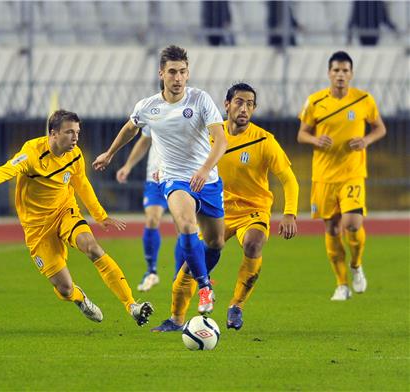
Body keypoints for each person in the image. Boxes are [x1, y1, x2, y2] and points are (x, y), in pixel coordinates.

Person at [0, 109, 154, 326]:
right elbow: (6, 170)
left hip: (64, 212)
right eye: (69, 132)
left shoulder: (75, 155)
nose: (75, 137)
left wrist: (100, 215)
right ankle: (80, 299)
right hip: (37, 228)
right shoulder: (31, 153)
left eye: (77, 132)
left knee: (92, 247)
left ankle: (132, 305)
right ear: (53, 134)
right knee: (65, 288)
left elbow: (82, 185)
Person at [152, 82, 299, 332]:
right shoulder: (209, 134)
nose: (244, 108)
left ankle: (237, 305)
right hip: (216, 210)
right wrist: (164, 171)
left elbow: (288, 179)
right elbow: (182, 157)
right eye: (239, 102)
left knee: (254, 243)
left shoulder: (265, 140)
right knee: (192, 266)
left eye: (250, 104)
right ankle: (176, 319)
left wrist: (290, 213)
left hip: (253, 210)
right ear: (227, 104)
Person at [93, 45, 228, 315]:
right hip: (174, 179)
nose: (177, 78)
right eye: (172, 72)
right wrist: (110, 153)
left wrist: (203, 170)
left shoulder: (200, 100)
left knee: (215, 242)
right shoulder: (148, 106)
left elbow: (221, 140)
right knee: (187, 225)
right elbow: (130, 129)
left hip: (208, 181)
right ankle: (204, 287)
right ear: (161, 74)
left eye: (182, 72)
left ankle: (194, 274)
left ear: (188, 74)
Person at [297, 51, 387, 301]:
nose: (340, 75)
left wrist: (366, 140)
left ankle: (356, 265)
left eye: (345, 71)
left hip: (352, 174)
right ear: (329, 73)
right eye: (336, 70)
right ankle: (341, 285)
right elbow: (301, 134)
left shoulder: (364, 100)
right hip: (324, 176)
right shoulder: (315, 102)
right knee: (333, 229)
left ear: (351, 74)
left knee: (352, 224)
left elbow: (380, 128)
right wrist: (315, 139)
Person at [116, 126, 169, 292]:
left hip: (182, 176)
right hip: (155, 178)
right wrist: (128, 166)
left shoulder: (192, 109)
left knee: (186, 226)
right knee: (152, 219)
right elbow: (144, 140)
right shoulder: (153, 110)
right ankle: (151, 271)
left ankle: (185, 275)